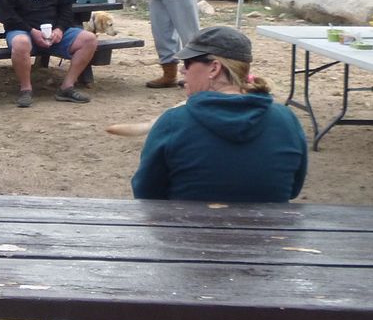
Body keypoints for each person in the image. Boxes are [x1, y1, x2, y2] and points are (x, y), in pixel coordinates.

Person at [131, 26, 307, 202]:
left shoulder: (173, 122)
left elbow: (146, 192)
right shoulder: (286, 119)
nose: (182, 71)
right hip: (271, 228)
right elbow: (293, 188)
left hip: (189, 227)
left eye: (187, 63)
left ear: (214, 68)